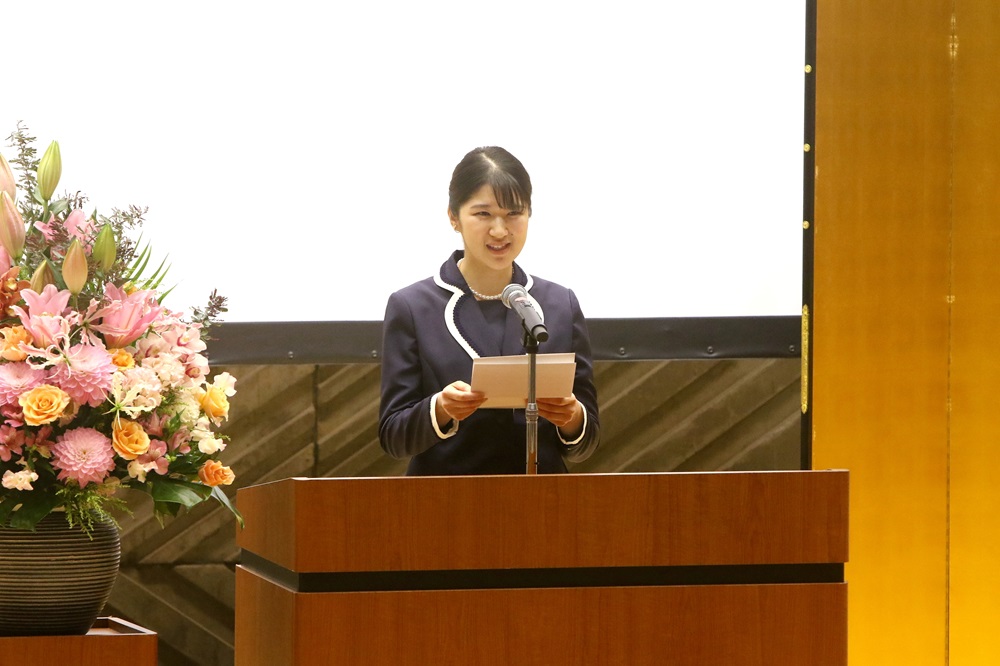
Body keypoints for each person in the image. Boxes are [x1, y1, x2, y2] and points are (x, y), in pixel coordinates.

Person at [378, 146, 600, 475]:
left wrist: (573, 418)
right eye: (483, 214)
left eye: (514, 213)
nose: (499, 230)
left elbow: (587, 440)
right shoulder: (412, 306)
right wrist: (439, 409)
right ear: (454, 217)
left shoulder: (558, 304)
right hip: (445, 498)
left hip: (543, 499)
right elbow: (393, 437)